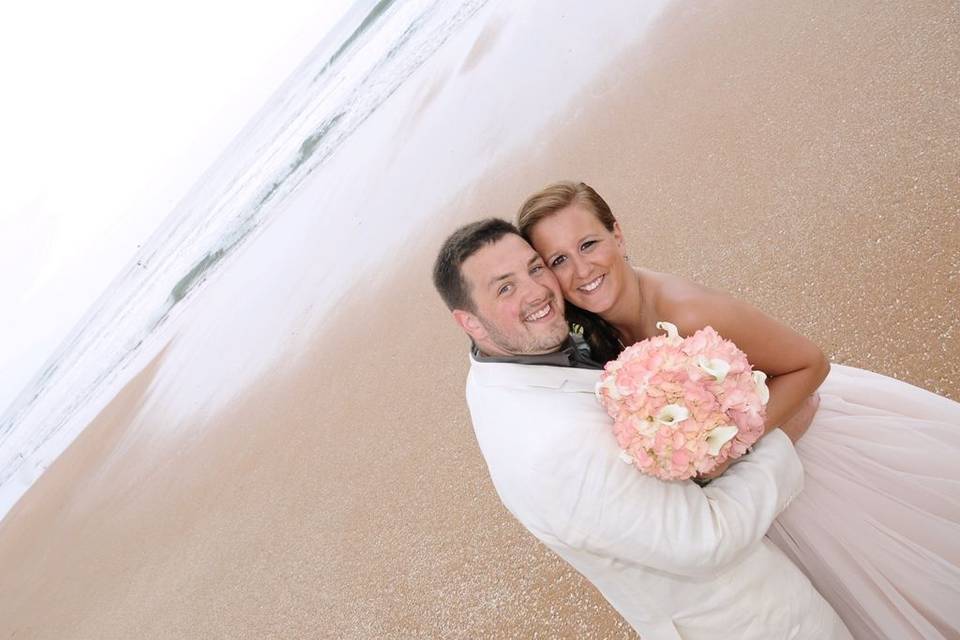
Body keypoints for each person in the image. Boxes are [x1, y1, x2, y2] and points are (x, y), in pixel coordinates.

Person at [516, 180, 960, 640]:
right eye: (558, 260)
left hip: (810, 451)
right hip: (757, 485)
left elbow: (811, 364)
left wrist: (725, 450)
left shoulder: (687, 312)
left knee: (893, 585)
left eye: (588, 244)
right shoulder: (592, 333)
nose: (581, 269)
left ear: (618, 235)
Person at [432, 219, 852, 639]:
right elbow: (708, 540)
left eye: (535, 268)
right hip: (751, 622)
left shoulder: (494, 366)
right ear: (468, 322)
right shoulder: (554, 448)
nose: (536, 291)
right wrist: (774, 432)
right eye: (505, 288)